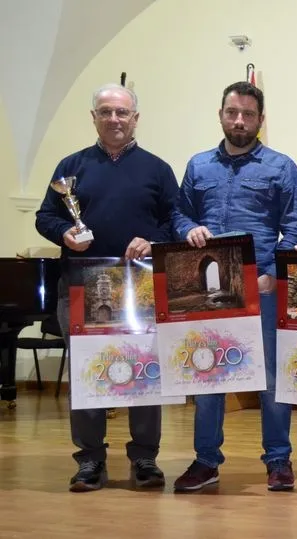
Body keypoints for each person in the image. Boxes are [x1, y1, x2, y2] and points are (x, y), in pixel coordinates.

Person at [35, 83, 178, 492]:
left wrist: (154, 241)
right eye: (105, 111)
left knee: (145, 373)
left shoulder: (157, 169)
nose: (114, 119)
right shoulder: (71, 166)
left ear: (135, 118)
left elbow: (175, 220)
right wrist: (64, 233)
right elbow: (45, 216)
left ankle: (145, 458)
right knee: (87, 375)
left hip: (141, 287)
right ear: (94, 117)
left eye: (122, 112)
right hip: (82, 286)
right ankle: (90, 460)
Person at [170, 81, 297, 492]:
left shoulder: (281, 167)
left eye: (248, 114)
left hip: (261, 287)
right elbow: (179, 214)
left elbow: (294, 226)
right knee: (208, 371)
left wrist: (272, 274)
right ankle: (206, 461)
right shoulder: (198, 167)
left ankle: (279, 460)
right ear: (221, 114)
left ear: (261, 120)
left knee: (269, 377)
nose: (240, 121)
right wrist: (189, 227)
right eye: (233, 112)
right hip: (208, 289)